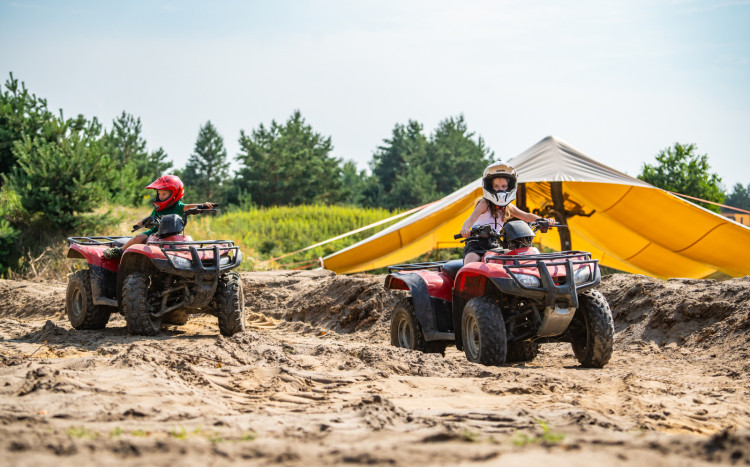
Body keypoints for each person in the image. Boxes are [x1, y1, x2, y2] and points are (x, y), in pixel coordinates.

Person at [460, 162, 555, 265]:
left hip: (494, 244)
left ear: (509, 187)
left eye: (504, 186)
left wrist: (543, 220)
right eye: (496, 186)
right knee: (471, 262)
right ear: (490, 187)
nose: (500, 189)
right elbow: (471, 219)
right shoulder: (484, 203)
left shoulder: (507, 207)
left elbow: (526, 216)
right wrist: (465, 228)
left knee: (512, 261)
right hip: (477, 243)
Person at [104, 175, 215, 259]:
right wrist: (141, 223)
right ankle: (119, 251)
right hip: (156, 232)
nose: (161, 196)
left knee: (185, 244)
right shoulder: (158, 208)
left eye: (164, 194)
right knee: (139, 238)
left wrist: (202, 206)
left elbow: (187, 207)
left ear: (174, 194)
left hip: (174, 233)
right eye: (159, 194)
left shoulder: (178, 206)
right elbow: (150, 218)